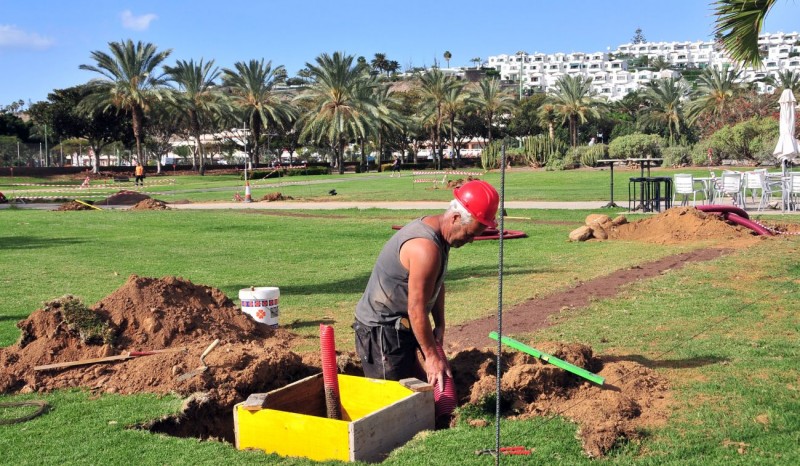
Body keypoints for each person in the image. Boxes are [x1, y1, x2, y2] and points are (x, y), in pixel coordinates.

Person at [353, 180, 499, 391]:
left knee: (421, 394)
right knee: (392, 402)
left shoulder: (441, 237)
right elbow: (416, 308)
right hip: (381, 334)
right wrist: (431, 356)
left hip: (400, 327)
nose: (471, 241)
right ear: (456, 218)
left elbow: (436, 284)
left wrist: (439, 323)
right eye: (469, 234)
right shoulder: (425, 248)